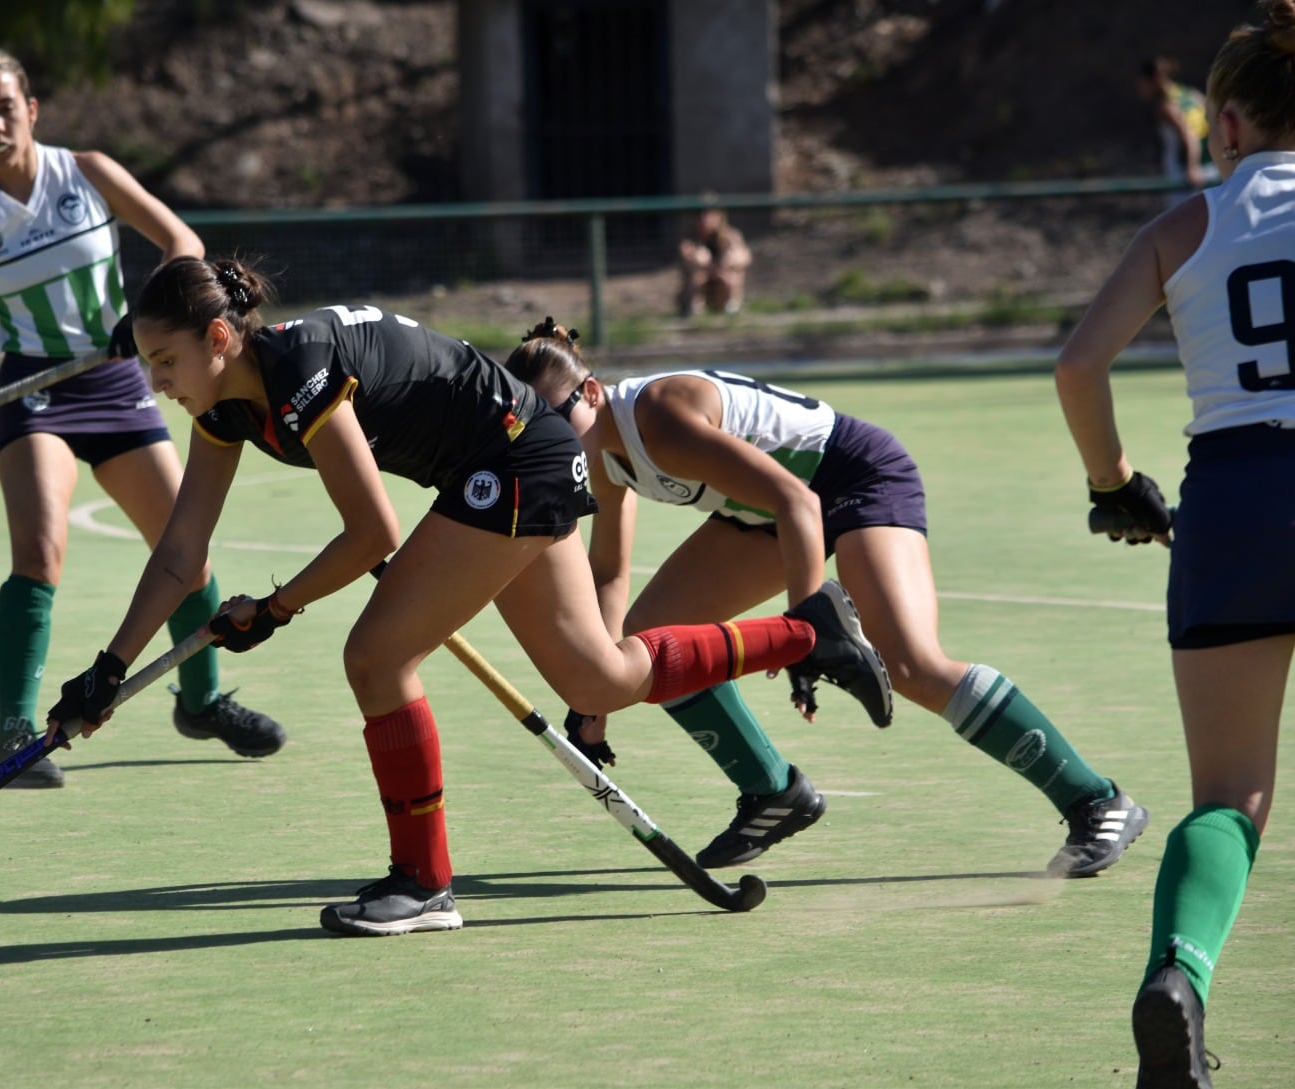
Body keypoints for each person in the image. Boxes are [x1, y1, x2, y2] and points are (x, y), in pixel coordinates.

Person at [44, 254, 891, 937]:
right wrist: (107, 669)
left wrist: (273, 608)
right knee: (600, 680)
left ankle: (422, 882)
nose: (156, 382)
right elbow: (182, 552)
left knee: (376, 658)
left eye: (166, 362)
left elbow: (370, 531)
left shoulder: (297, 369)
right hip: (506, 459)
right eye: (150, 364)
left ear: (220, 337)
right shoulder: (225, 408)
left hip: (516, 454)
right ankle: (808, 632)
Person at [505, 320, 1150, 879]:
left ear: (592, 393)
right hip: (765, 512)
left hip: (854, 479)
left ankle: (1096, 800)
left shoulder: (657, 417)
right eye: (534, 428)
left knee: (912, 664)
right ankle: (771, 792)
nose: (551, 439)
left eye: (558, 419)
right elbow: (610, 571)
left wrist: (806, 624)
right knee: (653, 640)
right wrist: (594, 696)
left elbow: (799, 502)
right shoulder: (604, 455)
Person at [0, 47, 283, 788]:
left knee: (188, 551)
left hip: (117, 383)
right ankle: (13, 730)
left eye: (4, 107)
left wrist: (148, 314)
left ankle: (201, 700)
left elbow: (184, 243)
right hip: (36, 392)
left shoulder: (86, 172)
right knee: (40, 551)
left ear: (32, 108)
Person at [1057, 4, 1295, 1083]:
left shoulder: (1184, 224)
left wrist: (1112, 484)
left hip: (1233, 500)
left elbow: (1077, 367)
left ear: (1233, 120)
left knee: (1228, 795)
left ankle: (1179, 976)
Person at [1137, 56, 1219, 194]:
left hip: (1184, 174)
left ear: (1154, 80)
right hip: (1211, 165)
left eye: (1142, 82)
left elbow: (1189, 134)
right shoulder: (1191, 94)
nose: (1140, 88)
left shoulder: (1166, 107)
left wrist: (1192, 167)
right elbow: (1216, 120)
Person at [677, 206, 752, 317]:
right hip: (701, 287)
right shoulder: (690, 240)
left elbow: (744, 258)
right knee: (698, 273)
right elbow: (689, 258)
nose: (705, 219)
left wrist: (728, 262)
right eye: (700, 215)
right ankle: (696, 310)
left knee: (733, 273)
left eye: (710, 214)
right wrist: (709, 266)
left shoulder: (730, 236)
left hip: (721, 284)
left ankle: (732, 308)